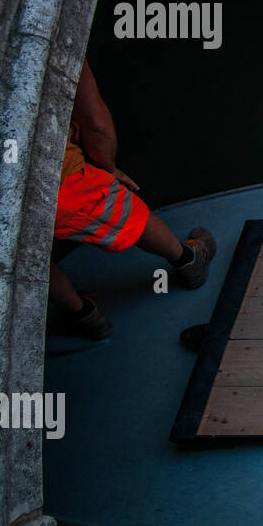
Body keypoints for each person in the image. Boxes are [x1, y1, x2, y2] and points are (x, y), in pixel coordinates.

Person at [50, 62, 217, 340]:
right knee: (132, 217)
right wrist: (108, 169)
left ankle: (85, 315)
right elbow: (96, 123)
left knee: (26, 256)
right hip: (59, 181)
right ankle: (188, 261)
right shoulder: (61, 49)